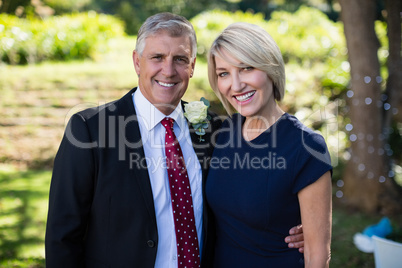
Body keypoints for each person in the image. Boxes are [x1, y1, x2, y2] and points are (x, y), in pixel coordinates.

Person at [45, 13, 304, 268]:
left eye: (180, 59)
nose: (168, 71)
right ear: (137, 62)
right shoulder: (90, 130)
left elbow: (246, 197)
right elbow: (62, 235)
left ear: (192, 66)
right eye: (157, 57)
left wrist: (298, 228)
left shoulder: (214, 129)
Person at [205, 22, 332, 267]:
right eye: (224, 73)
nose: (236, 85)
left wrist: (314, 231)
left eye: (247, 68)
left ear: (270, 67)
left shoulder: (306, 147)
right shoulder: (222, 132)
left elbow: (317, 256)